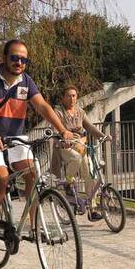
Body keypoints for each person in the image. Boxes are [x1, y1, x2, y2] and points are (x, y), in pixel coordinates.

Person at [0, 39, 73, 248]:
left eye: (24, 59)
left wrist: (62, 130)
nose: (19, 62)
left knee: (33, 174)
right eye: (14, 57)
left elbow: (43, 106)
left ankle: (35, 224)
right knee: (0, 176)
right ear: (4, 58)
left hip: (16, 139)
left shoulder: (26, 81)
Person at [50, 85, 110, 220]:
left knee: (90, 176)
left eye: (74, 95)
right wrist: (62, 138)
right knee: (76, 158)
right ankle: (68, 181)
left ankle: (92, 209)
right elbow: (54, 129)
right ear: (63, 97)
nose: (72, 98)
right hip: (64, 147)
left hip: (81, 146)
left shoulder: (80, 112)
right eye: (68, 95)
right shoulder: (58, 111)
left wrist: (103, 136)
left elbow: (90, 126)